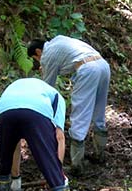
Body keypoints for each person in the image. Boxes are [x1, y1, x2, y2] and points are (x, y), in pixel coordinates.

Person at [0, 77, 84, 191]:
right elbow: (59, 137)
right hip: (37, 113)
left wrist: (16, 179)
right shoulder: (58, 98)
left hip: (5, 112)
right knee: (50, 162)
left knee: (2, 156)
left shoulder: (12, 90)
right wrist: (56, 171)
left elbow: (14, 144)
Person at [27, 36, 111, 174]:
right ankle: (100, 154)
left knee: (80, 114)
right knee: (99, 110)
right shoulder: (58, 41)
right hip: (103, 65)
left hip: (88, 69)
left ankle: (77, 165)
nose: (38, 62)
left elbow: (47, 88)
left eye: (36, 59)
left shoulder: (47, 54)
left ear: (38, 51)